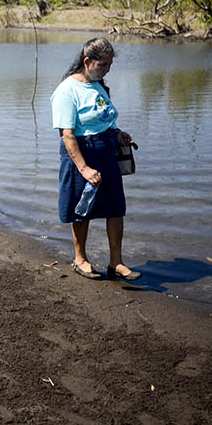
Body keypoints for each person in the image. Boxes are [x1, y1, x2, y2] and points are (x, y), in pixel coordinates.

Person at [50, 38, 141, 281]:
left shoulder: (98, 84)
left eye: (110, 65)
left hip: (106, 154)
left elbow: (103, 119)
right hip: (81, 155)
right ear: (87, 61)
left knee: (115, 208)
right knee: (82, 210)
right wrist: (84, 168)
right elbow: (67, 135)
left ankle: (116, 263)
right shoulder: (66, 91)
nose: (107, 70)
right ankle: (80, 260)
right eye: (103, 65)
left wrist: (117, 133)